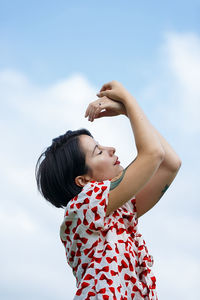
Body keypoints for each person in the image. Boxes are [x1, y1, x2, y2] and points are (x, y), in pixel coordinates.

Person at [35, 81, 181, 299]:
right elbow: (153, 155)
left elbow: (170, 164)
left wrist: (128, 112)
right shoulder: (84, 206)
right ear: (83, 181)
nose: (110, 149)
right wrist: (128, 100)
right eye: (98, 151)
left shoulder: (117, 211)